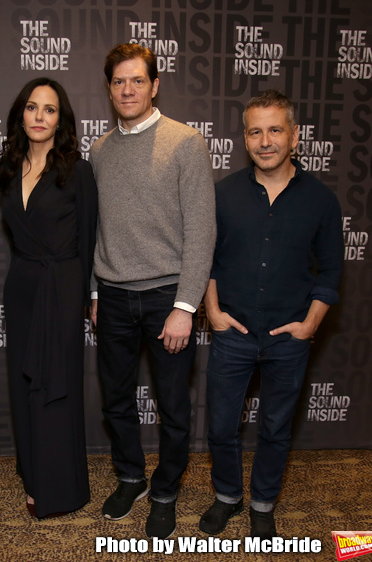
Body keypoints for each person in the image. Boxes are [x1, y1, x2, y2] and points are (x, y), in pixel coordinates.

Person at [198, 90, 343, 539]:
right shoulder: (221, 194)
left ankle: (262, 503)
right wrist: (214, 313)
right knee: (221, 427)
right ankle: (227, 497)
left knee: (277, 429)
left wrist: (310, 325)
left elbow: (332, 269)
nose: (266, 140)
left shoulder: (321, 200)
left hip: (288, 338)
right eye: (256, 131)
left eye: (275, 129)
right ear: (245, 139)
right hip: (232, 333)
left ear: (294, 136)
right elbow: (205, 259)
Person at [89, 43, 216, 539]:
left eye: (137, 80)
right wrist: (97, 292)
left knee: (173, 406)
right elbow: (97, 229)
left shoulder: (186, 142)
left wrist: (186, 307)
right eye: (119, 81)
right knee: (116, 399)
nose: (127, 89)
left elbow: (202, 231)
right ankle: (130, 477)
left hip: (168, 297)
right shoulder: (99, 150)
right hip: (114, 297)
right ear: (109, 88)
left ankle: (165, 490)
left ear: (155, 84)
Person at [0, 77, 98, 519]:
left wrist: (92, 294)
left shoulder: (77, 170)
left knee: (56, 385)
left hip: (62, 284)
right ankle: (34, 475)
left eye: (50, 109)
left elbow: (91, 238)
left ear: (62, 118)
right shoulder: (6, 166)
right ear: (22, 113)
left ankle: (61, 488)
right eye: (33, 107)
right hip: (21, 285)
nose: (40, 116)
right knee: (23, 383)